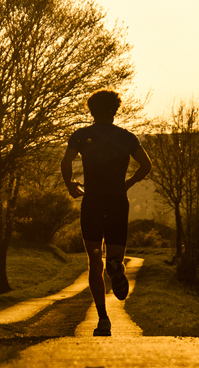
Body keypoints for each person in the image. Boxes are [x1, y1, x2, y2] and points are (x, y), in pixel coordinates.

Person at [61, 90, 152, 337]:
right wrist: (128, 183)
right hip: (117, 201)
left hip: (92, 201)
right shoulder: (127, 137)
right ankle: (117, 266)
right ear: (115, 110)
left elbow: (66, 162)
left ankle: (103, 319)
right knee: (114, 256)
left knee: (94, 261)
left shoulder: (81, 136)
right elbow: (146, 165)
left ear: (91, 110)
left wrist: (71, 184)